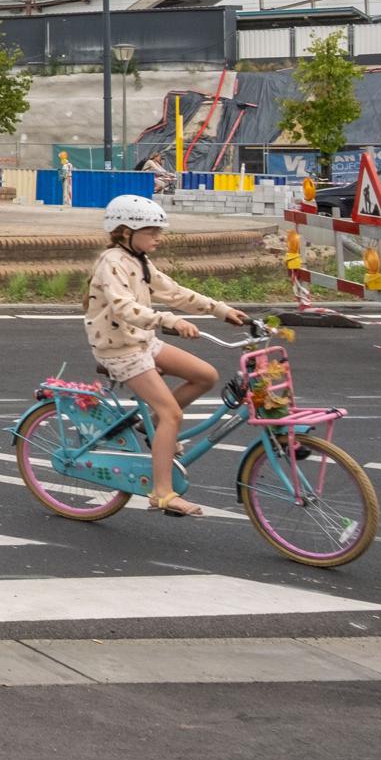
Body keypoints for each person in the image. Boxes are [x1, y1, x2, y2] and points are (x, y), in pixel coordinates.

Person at [82, 193, 247, 517]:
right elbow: (124, 307)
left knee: (206, 376)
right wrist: (168, 320)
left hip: (143, 342)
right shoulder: (112, 262)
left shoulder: (139, 260)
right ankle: (162, 493)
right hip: (121, 350)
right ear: (125, 231)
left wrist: (221, 311)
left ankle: (153, 426)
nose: (159, 237)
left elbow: (173, 292)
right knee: (173, 414)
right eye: (152, 231)